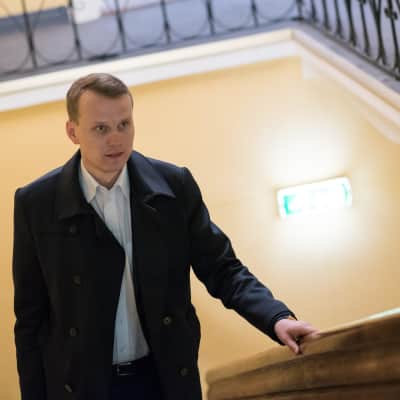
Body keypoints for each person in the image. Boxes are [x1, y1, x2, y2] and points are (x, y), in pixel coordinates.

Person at [13, 73, 318, 400]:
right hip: (83, 386)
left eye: (124, 124)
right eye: (101, 128)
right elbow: (30, 320)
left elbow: (223, 269)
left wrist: (276, 318)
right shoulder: (36, 203)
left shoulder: (174, 186)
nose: (116, 139)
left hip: (163, 378)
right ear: (72, 132)